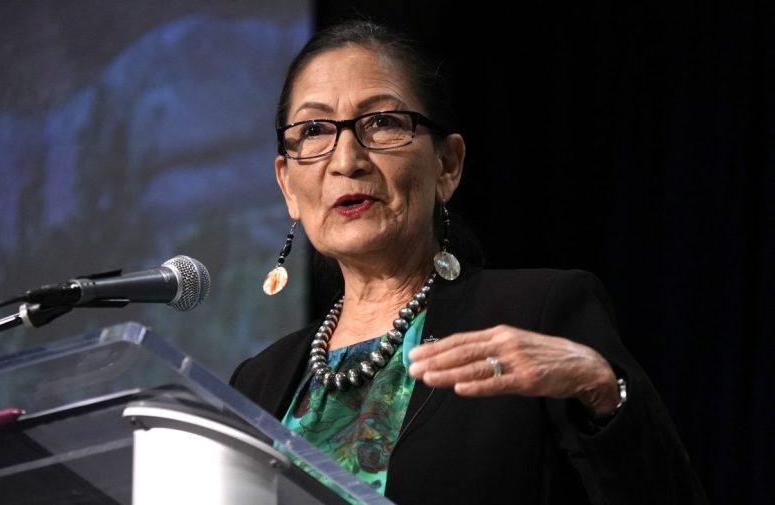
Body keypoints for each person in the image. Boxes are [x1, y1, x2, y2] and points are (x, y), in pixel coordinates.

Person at [231, 19, 706, 504]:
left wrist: (603, 393)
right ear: (288, 184)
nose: (346, 159)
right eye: (313, 130)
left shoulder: (537, 313)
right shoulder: (258, 381)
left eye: (384, 123)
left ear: (448, 165)